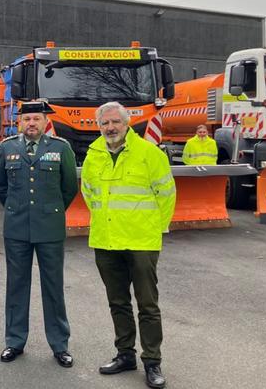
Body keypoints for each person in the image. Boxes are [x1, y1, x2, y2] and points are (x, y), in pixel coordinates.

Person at [81, 102, 176, 389]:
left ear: (127, 124)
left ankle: (152, 361)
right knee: (118, 302)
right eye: (104, 124)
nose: (110, 128)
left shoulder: (149, 153)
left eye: (115, 122)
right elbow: (88, 193)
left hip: (141, 241)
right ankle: (125, 355)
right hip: (106, 240)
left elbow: (167, 193)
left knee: (147, 304)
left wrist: (155, 229)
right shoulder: (93, 155)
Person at [0, 101, 78, 368]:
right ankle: (14, 341)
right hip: (17, 228)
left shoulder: (60, 148)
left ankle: (60, 344)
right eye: (27, 119)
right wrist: (18, 209)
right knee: (16, 286)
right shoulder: (7, 148)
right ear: (20, 122)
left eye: (36, 119)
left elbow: (69, 187)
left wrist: (50, 211)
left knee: (53, 287)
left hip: (50, 228)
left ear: (44, 122)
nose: (31, 123)